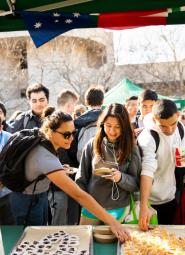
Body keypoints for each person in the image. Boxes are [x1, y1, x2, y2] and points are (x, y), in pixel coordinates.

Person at [9, 106, 131, 242]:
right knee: (29, 243)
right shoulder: (45, 157)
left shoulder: (46, 145)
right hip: (26, 201)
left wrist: (58, 169)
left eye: (74, 133)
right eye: (66, 135)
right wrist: (112, 221)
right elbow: (78, 195)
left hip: (39, 197)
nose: (72, 138)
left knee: (39, 239)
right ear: (50, 132)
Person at [76, 103, 141, 224]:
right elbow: (81, 179)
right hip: (92, 207)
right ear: (102, 124)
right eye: (108, 125)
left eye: (118, 126)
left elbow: (137, 184)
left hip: (118, 208)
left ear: (125, 126)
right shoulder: (92, 144)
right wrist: (85, 204)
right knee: (88, 241)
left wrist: (121, 178)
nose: (112, 131)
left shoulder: (131, 147)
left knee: (114, 243)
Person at [138, 99, 185, 230]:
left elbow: (184, 149)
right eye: (163, 126)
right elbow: (147, 170)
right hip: (149, 200)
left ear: (178, 115)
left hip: (169, 196)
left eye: (172, 124)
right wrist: (143, 206)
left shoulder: (180, 127)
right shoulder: (148, 137)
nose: (169, 130)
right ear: (155, 121)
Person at [48, 89, 79, 226]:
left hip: (61, 182)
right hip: (56, 187)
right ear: (70, 104)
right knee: (58, 222)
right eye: (67, 135)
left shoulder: (53, 120)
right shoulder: (61, 122)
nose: (70, 138)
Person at [69, 85, 105, 164]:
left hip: (83, 165)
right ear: (102, 101)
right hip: (105, 166)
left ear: (86, 103)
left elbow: (72, 150)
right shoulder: (108, 120)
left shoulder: (77, 122)